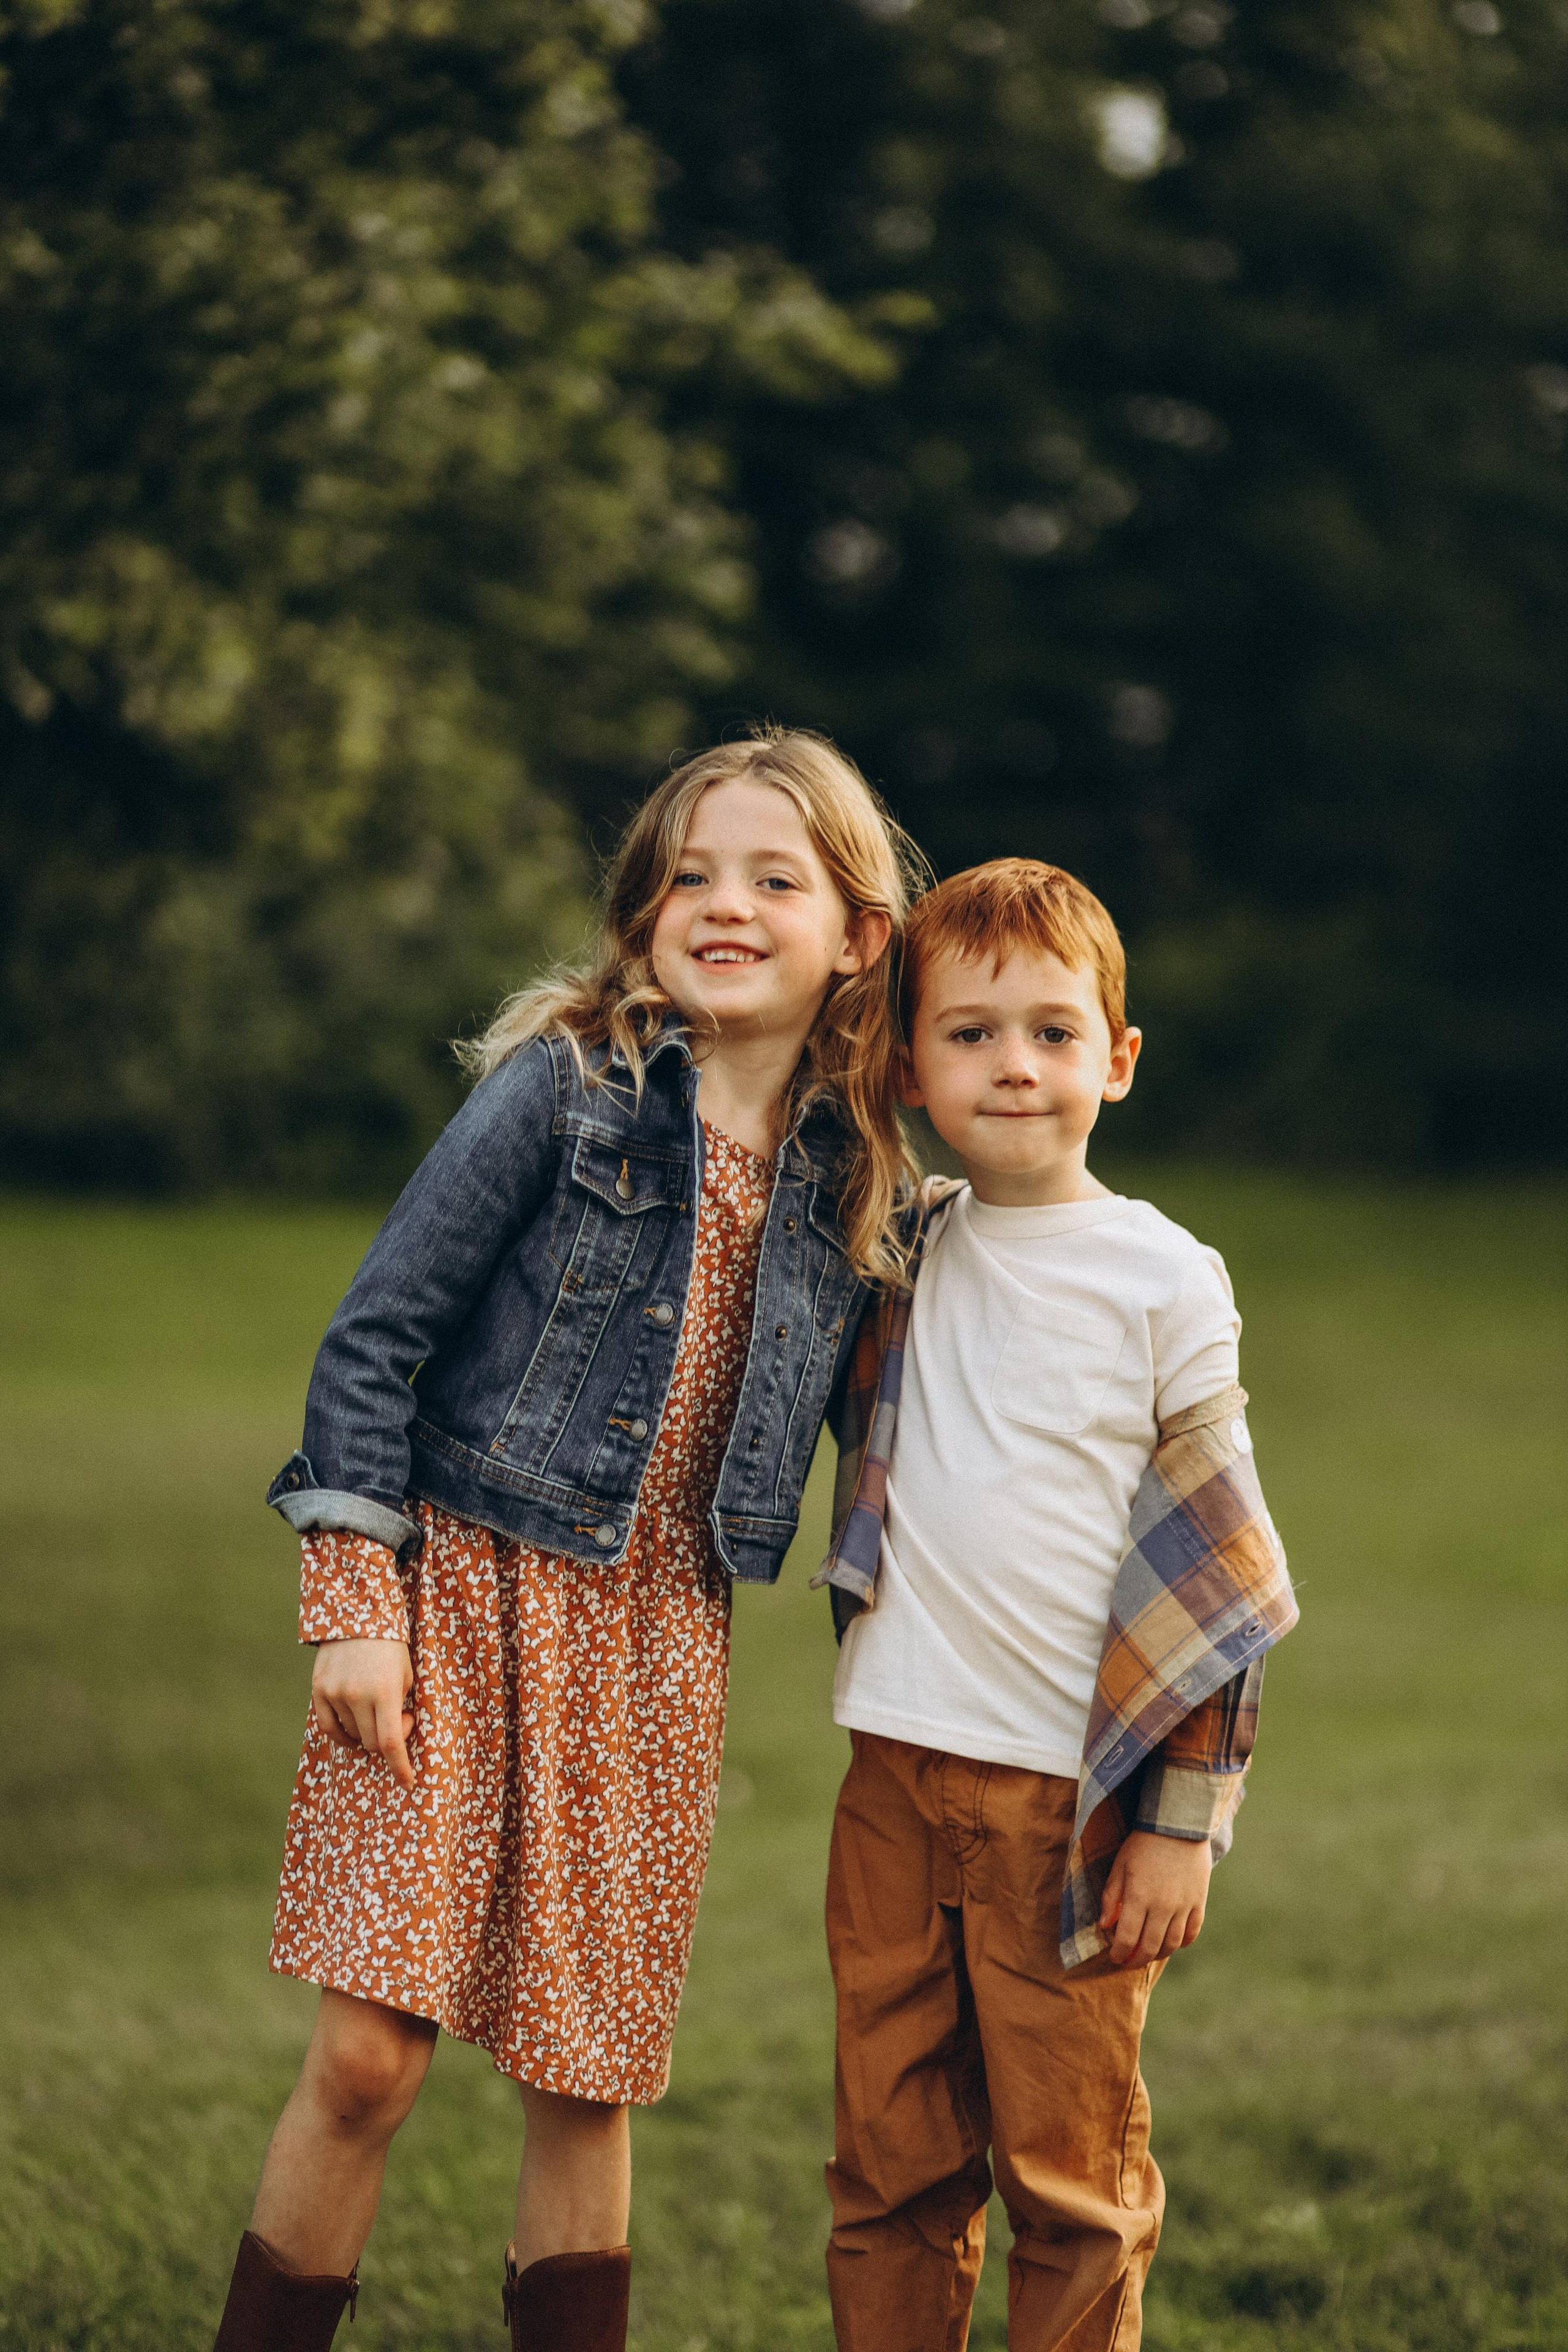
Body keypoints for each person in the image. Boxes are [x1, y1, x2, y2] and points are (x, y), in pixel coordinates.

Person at [211, 729, 919, 2352]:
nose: (721, 903)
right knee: (370, 2056)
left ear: (859, 935)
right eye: (688, 874)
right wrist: (354, 1605)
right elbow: (374, 1341)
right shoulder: (566, 1090)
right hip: (452, 1599)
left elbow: (891, 1431)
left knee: (584, 2078)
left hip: (654, 1648)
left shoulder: (850, 1176)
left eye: (773, 878)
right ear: (642, 909)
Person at [814, 858, 1298, 2352]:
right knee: (887, 2165)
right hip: (892, 1774)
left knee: (1069, 2181)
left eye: (1049, 1031)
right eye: (965, 1035)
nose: (1011, 1066)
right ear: (907, 1064)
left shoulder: (1161, 1277)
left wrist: (1180, 1816)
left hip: (1070, 1803)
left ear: (1117, 1058)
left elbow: (1214, 1571)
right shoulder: (898, 1247)